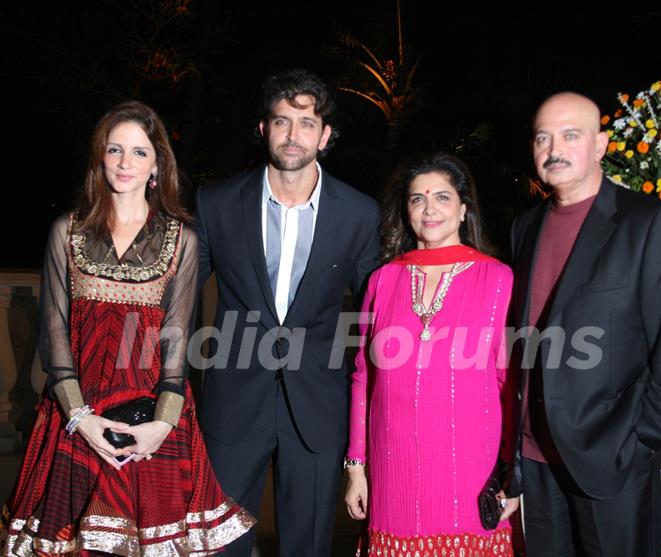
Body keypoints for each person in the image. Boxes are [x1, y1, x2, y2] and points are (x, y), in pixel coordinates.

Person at [0, 101, 254, 556]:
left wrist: (161, 425)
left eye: (139, 152)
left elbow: (177, 343)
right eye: (115, 150)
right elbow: (54, 332)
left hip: (151, 421)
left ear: (157, 164)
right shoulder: (67, 231)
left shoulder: (182, 241)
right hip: (76, 415)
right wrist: (82, 419)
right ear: (100, 157)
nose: (124, 162)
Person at [508, 92, 661, 556]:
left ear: (599, 145)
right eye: (543, 137)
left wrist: (643, 437)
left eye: (570, 135)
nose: (553, 148)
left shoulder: (648, 222)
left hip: (613, 455)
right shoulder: (526, 226)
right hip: (537, 458)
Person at [195, 68, 380, 556]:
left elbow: (376, 316)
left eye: (306, 123)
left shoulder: (359, 213)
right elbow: (179, 301)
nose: (293, 135)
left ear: (325, 134)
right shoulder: (215, 203)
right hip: (233, 404)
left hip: (318, 409)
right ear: (263, 130)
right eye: (281, 121)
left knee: (309, 545)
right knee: (222, 545)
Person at [344, 153, 518, 556]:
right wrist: (356, 468)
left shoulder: (496, 278)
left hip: (472, 464)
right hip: (393, 464)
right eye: (417, 199)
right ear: (406, 211)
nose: (429, 208)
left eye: (442, 197)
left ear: (463, 209)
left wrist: (514, 473)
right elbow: (362, 379)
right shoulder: (383, 280)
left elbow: (507, 381)